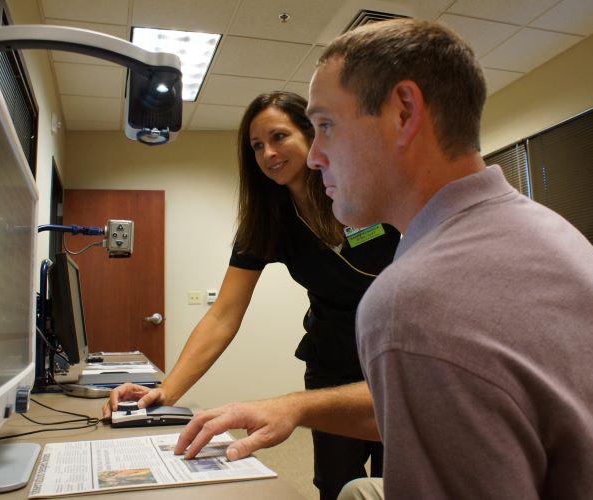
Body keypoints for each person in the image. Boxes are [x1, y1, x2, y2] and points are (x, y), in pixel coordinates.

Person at [174, 18, 593, 499]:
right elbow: (441, 402)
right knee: (355, 489)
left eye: (324, 127)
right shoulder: (551, 231)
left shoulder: (411, 298)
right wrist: (295, 406)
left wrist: (296, 405)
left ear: (404, 112)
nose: (315, 156)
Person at [102, 91, 400, 499]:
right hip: (334, 360)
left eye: (279, 137)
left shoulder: (365, 186)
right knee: (336, 484)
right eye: (257, 146)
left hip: (400, 354)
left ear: (312, 134)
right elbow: (224, 314)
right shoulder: (269, 219)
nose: (268, 154)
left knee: (401, 477)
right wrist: (167, 390)